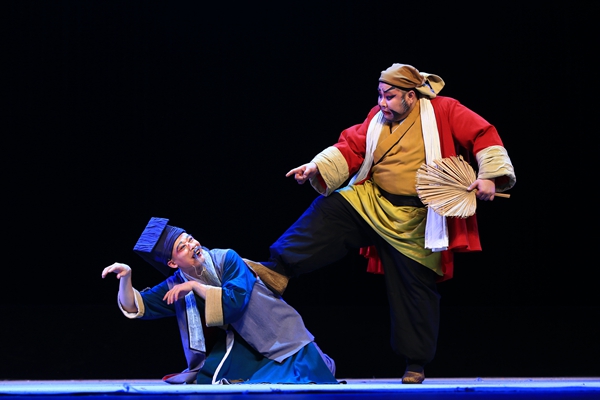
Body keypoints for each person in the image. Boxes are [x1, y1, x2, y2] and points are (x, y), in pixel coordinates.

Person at [246, 63, 516, 384]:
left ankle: (415, 362)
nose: (382, 103)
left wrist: (489, 177)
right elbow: (352, 145)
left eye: (389, 96)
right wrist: (316, 166)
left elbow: (483, 133)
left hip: (417, 217)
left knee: (414, 290)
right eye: (380, 95)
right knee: (331, 209)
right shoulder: (377, 117)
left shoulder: (444, 110)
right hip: (373, 200)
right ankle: (278, 270)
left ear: (411, 96)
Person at [101, 217, 338, 385]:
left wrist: (195, 287)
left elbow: (235, 302)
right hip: (242, 341)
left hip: (274, 329)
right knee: (210, 377)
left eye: (190, 239)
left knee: (307, 372)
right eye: (182, 247)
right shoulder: (177, 283)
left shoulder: (227, 259)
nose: (192, 245)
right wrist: (126, 277)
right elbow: (137, 306)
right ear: (172, 263)